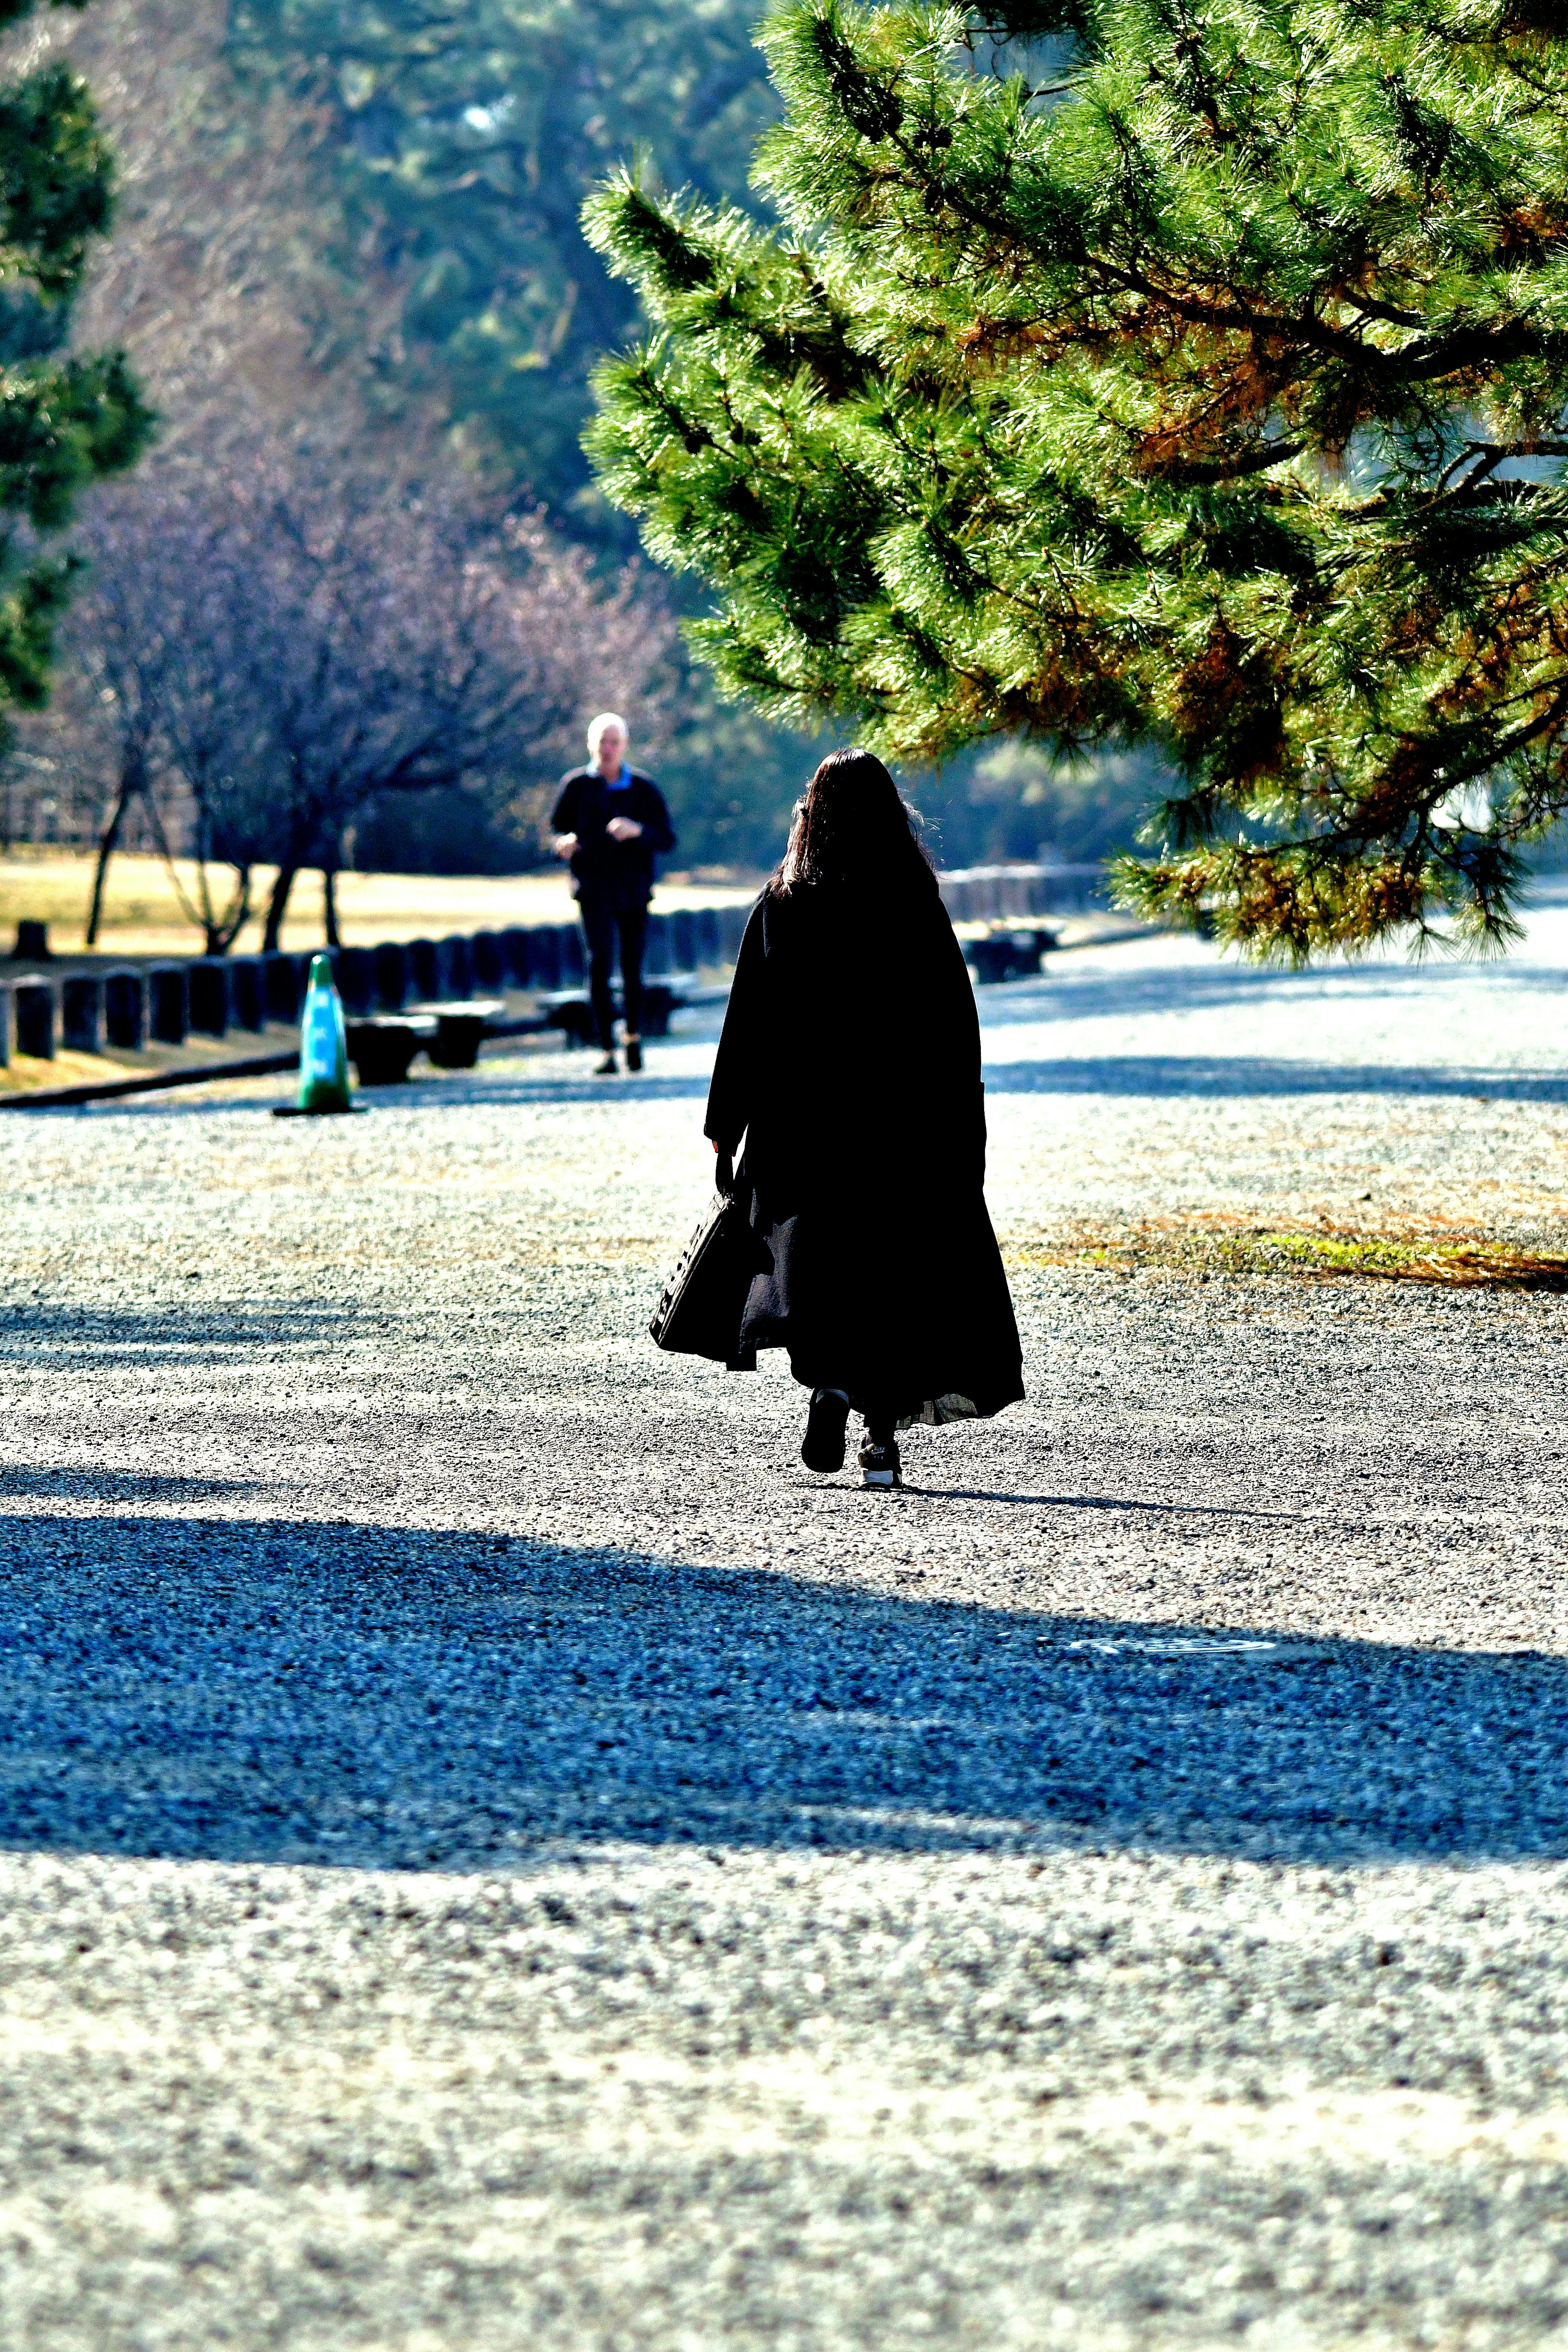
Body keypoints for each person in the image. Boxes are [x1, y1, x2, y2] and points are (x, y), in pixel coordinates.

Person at [704, 748, 1024, 1490]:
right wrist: (962, 1125)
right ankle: (880, 1439)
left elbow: (746, 1025)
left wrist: (727, 1126)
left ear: (812, 817)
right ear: (892, 817)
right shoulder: (914, 903)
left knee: (815, 1274)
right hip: (901, 1127)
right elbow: (954, 1024)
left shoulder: (781, 906)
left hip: (802, 1130)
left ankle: (832, 1387)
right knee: (893, 1278)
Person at [551, 713, 676, 1074]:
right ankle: (606, 1049)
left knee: (632, 967)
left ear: (624, 746)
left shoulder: (643, 787)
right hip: (593, 890)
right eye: (602, 741)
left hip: (634, 891)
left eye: (614, 742)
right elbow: (554, 832)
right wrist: (563, 844)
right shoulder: (575, 786)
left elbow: (667, 838)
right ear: (591, 744)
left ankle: (634, 1038)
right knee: (599, 965)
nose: (608, 749)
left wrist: (637, 831)